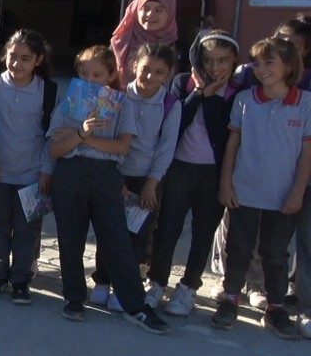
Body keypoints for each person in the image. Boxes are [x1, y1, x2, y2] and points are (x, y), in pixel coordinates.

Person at [47, 45, 171, 334]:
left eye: (98, 74)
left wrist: (83, 138)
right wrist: (80, 134)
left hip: (106, 176)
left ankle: (135, 305)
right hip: (70, 173)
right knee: (70, 239)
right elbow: (55, 148)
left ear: (112, 74)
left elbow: (122, 146)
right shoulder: (70, 101)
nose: (90, 79)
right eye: (84, 72)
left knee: (117, 239)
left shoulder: (121, 103)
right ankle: (74, 297)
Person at [211, 38, 311, 340]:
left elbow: (307, 153)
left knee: (275, 254)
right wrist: (226, 183)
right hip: (244, 192)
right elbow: (232, 145)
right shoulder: (245, 100)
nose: (262, 68)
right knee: (238, 249)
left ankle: (276, 307)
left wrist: (298, 191)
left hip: (283, 197)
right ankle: (230, 300)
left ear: (289, 66)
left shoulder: (305, 103)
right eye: (257, 62)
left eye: (270, 62)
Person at [150, 31, 240, 318]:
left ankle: (188, 287)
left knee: (203, 233)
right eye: (209, 60)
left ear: (234, 60)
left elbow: (220, 131)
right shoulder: (182, 82)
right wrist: (199, 94)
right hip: (179, 167)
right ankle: (156, 283)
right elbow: (176, 122)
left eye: (223, 60)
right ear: (197, 59)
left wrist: (212, 97)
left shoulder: (236, 93)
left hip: (213, 173)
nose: (215, 68)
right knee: (168, 228)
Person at [90, 44, 181, 311]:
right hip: (114, 173)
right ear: (133, 67)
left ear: (168, 75)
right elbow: (106, 136)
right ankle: (102, 280)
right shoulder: (116, 97)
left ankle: (124, 287)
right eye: (145, 70)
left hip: (146, 180)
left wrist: (152, 183)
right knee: (107, 229)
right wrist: (115, 179)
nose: (150, 77)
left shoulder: (170, 105)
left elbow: (166, 148)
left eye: (159, 72)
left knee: (137, 236)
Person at [0, 29, 58, 305]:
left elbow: (52, 133)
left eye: (25, 58)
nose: (17, 64)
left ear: (38, 60)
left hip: (33, 174)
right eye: (13, 56)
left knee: (28, 228)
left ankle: (21, 279)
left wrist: (47, 169)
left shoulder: (48, 90)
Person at [111, 0, 177, 88]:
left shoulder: (178, 47)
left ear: (170, 13)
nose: (150, 14)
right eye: (145, 9)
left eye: (159, 10)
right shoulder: (121, 42)